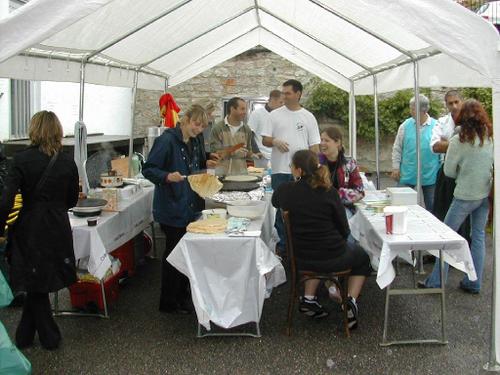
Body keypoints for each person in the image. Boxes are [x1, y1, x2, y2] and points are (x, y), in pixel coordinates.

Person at [0, 111, 79, 350]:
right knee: (39, 280)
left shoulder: (21, 160)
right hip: (57, 225)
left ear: (33, 130)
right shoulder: (67, 161)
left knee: (36, 278)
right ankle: (27, 337)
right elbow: (72, 200)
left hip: (30, 227)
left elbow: (6, 199)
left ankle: (47, 337)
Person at [272, 150, 371, 328]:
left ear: (299, 171)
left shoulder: (285, 191)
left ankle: (309, 299)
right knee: (363, 258)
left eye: (291, 166)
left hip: (299, 257)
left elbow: (274, 201)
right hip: (332, 255)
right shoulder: (329, 192)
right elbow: (344, 229)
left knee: (317, 252)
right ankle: (350, 301)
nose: (290, 169)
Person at [421, 99, 493, 294]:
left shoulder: (458, 139)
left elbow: (449, 171)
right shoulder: (490, 136)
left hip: (464, 196)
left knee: (445, 236)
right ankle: (473, 281)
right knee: (477, 237)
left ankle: (436, 280)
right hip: (485, 193)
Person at [143, 105, 208, 313]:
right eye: (196, 125)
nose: (198, 130)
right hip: (172, 206)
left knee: (188, 253)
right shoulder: (167, 140)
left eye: (202, 127)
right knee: (174, 255)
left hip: (191, 204)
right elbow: (149, 169)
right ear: (185, 119)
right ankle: (169, 301)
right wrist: (167, 176)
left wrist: (210, 158)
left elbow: (196, 163)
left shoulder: (196, 140)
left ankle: (184, 295)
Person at [262, 79, 321, 254]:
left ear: (298, 94)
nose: (284, 96)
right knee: (282, 211)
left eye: (287, 93)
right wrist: (275, 141)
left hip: (302, 173)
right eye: (283, 93)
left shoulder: (308, 117)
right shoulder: (274, 115)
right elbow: (265, 139)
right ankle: (284, 247)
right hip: (280, 170)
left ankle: (299, 246)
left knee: (301, 211)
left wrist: (313, 170)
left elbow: (314, 147)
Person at [391, 94, 440, 211]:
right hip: (407, 173)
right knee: (399, 204)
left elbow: (441, 152)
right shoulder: (405, 126)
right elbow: (397, 147)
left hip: (430, 174)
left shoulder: (436, 126)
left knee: (432, 207)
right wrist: (395, 167)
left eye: (412, 108)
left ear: (422, 110)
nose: (410, 110)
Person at [318, 126, 364, 214]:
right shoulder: (316, 163)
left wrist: (338, 195)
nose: (322, 143)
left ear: (337, 142)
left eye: (326, 140)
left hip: (343, 207)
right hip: (320, 208)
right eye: (321, 140)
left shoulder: (349, 163)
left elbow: (359, 191)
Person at [209, 97, 254, 175]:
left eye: (245, 109)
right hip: (221, 175)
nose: (245, 112)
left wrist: (253, 155)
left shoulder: (247, 130)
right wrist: (233, 152)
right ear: (232, 109)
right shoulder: (217, 128)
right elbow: (215, 154)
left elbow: (249, 152)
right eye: (242, 109)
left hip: (241, 175)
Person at [247, 90, 283, 168]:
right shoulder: (256, 114)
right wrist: (257, 152)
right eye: (281, 102)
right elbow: (249, 134)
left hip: (276, 156)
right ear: (273, 100)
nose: (282, 105)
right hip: (262, 156)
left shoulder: (280, 115)